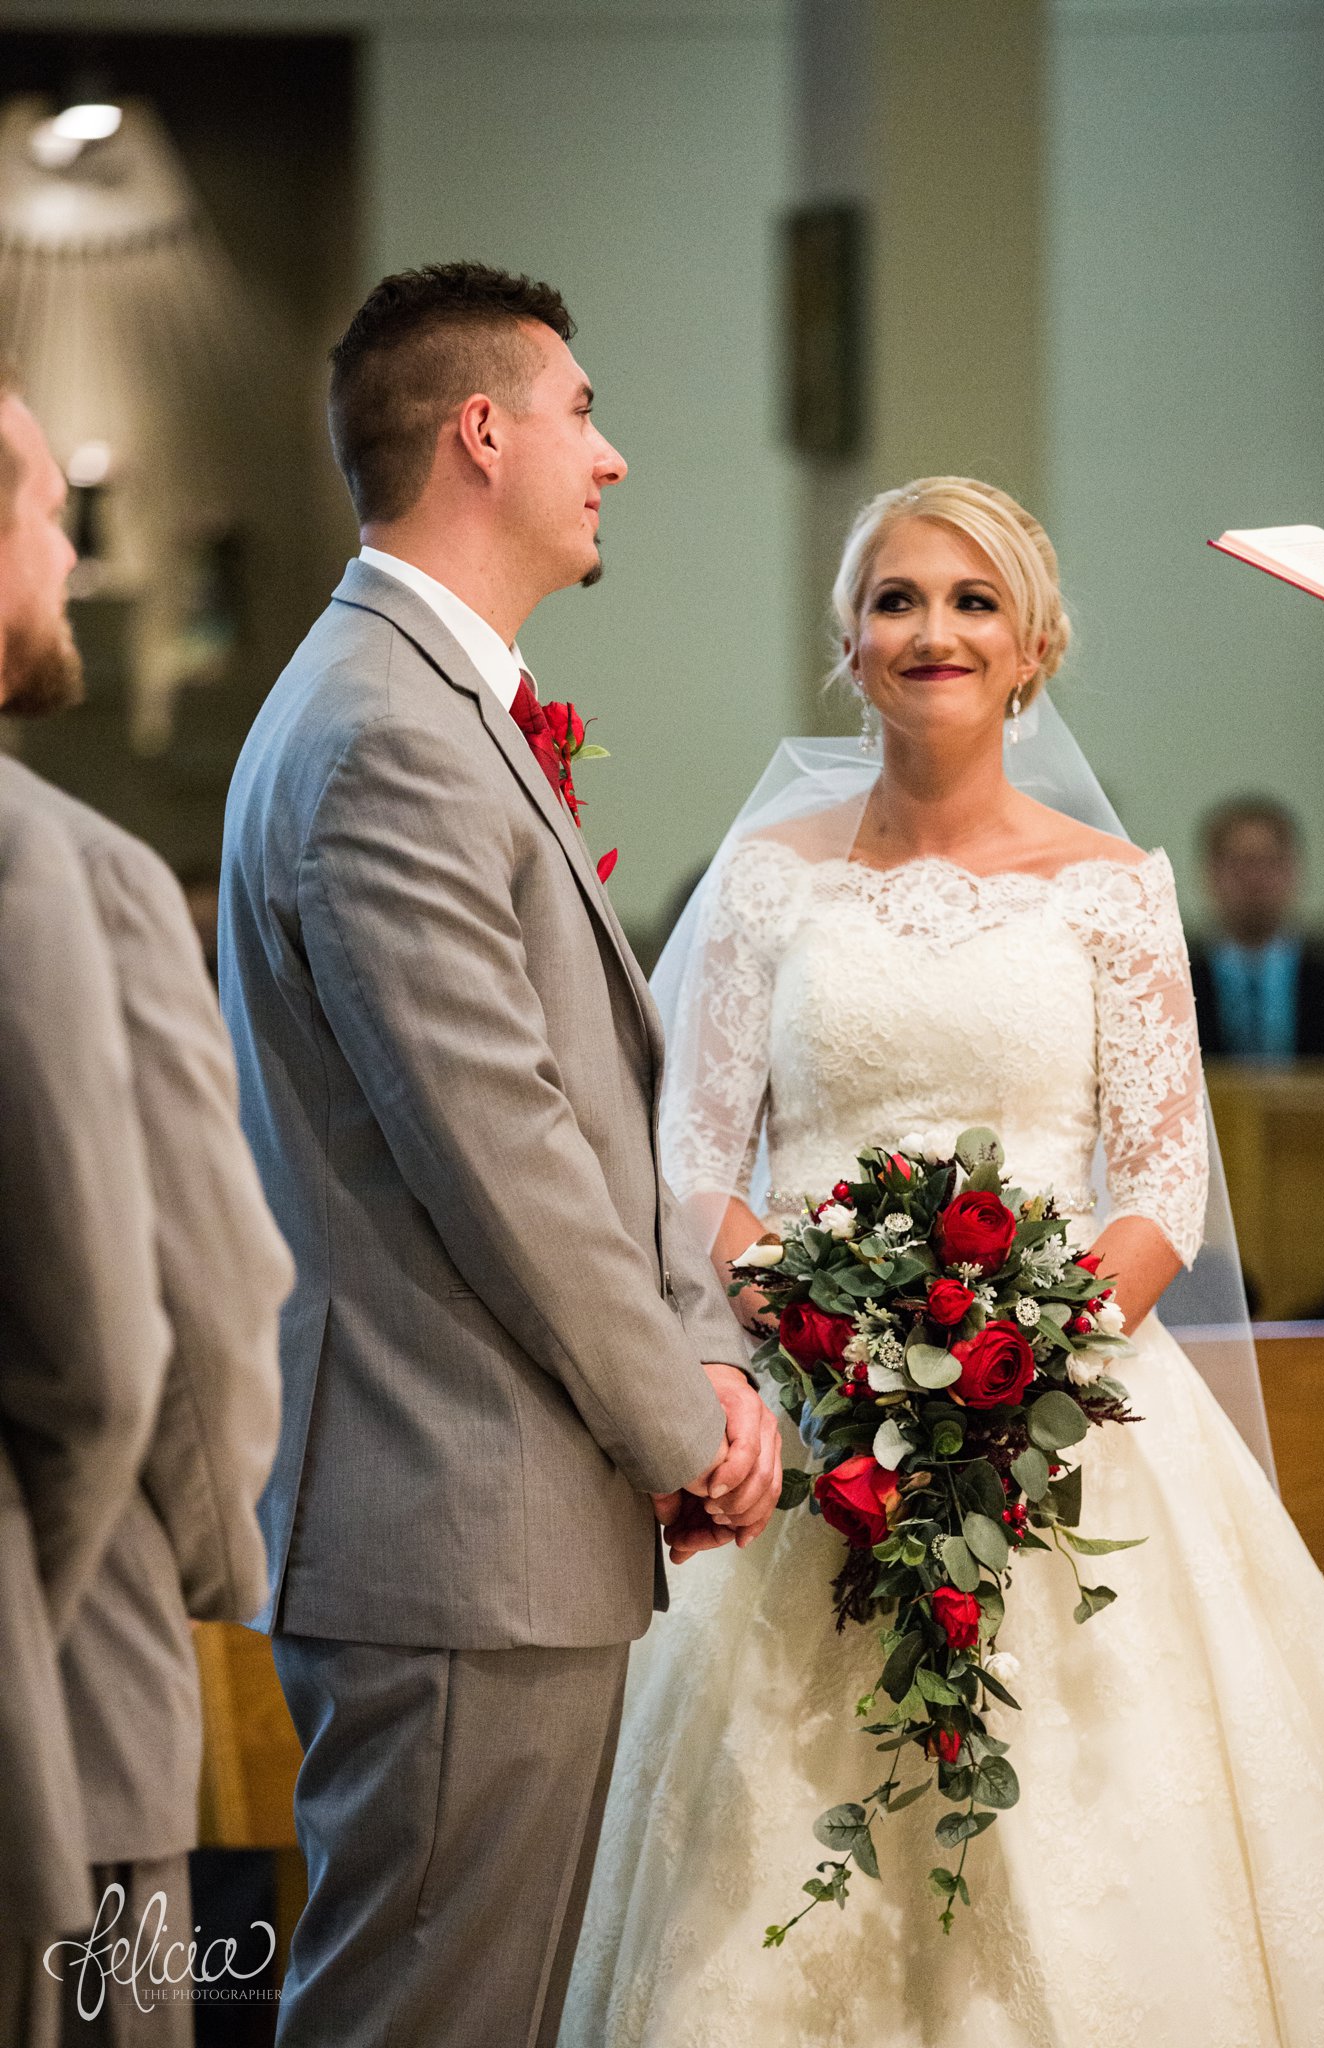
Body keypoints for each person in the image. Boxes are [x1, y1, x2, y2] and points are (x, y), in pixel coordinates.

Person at [562, 478, 1324, 2047]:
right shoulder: (765, 885)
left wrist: (1032, 1355)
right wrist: (825, 1335)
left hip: (1066, 1426)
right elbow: (688, 1165)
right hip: (808, 1426)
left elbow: (1160, 1190)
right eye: (897, 600)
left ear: (1033, 646)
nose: (934, 629)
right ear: (846, 646)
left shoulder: (1117, 893)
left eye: (973, 600)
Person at [218, 261, 782, 2048]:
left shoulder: (422, 704)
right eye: (582, 411)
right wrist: (687, 1420)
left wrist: (699, 1331)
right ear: (483, 431)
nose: (608, 457)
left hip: (496, 1514)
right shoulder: (389, 730)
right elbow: (506, 1154)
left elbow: (587, 1106)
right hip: (453, 1516)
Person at [0, 370, 291, 2044]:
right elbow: (161, 1322)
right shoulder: (68, 864)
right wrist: (201, 1555)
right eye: (43, 511)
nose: (65, 552)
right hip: (69, 1672)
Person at [1188, 796, 1324, 1059]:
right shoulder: (1174, 991)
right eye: (1240, 865)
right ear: (1210, 874)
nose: (1254, 880)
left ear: (1294, 871)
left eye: (1268, 863)